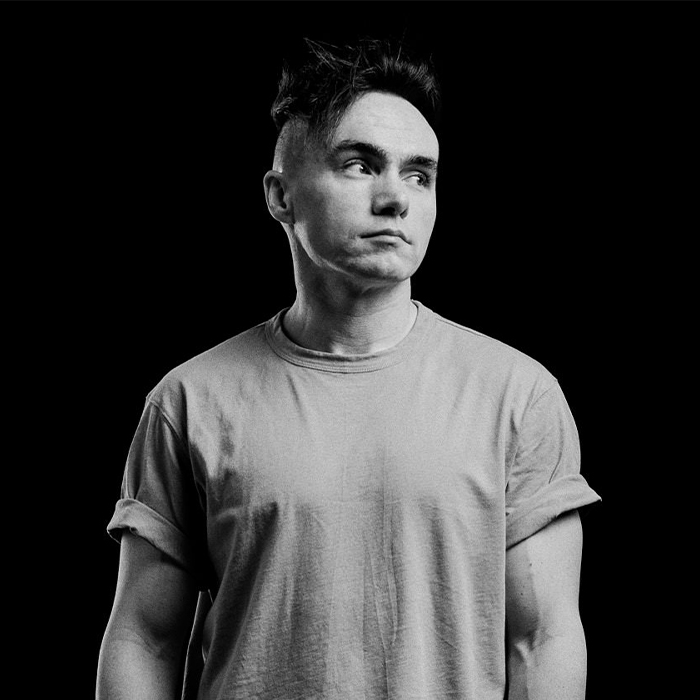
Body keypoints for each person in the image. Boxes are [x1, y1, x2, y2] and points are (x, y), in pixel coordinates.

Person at [97, 37, 601, 700]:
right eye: (360, 165)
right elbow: (144, 638)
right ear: (280, 195)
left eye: (420, 175)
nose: (397, 198)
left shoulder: (518, 395)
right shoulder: (190, 400)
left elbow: (542, 640)